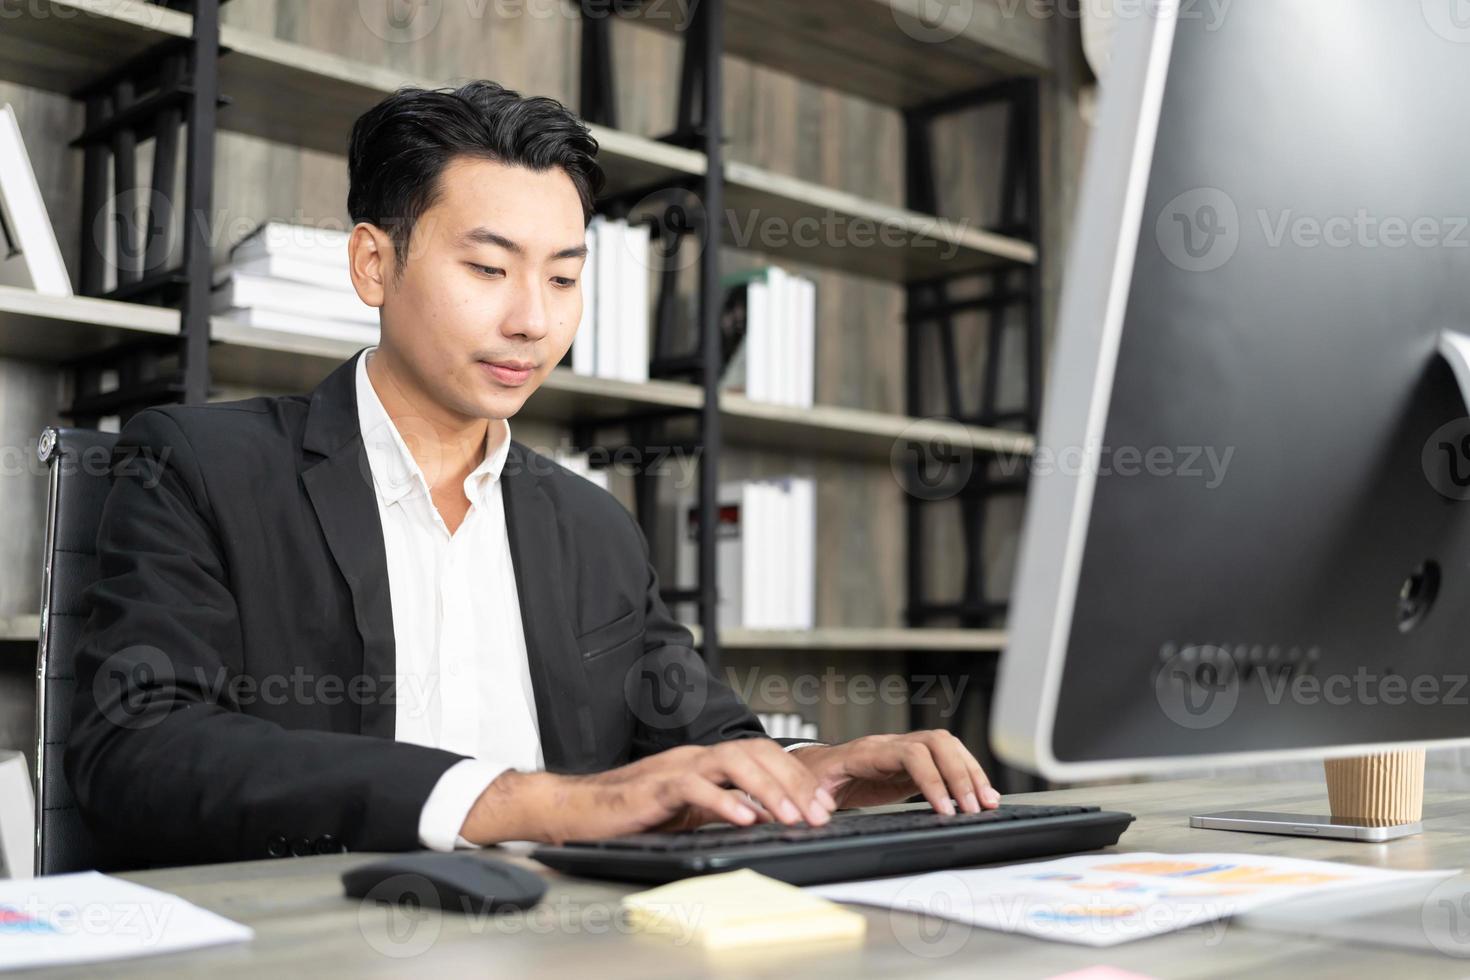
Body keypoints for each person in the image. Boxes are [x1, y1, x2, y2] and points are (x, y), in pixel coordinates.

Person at [65, 80, 999, 868]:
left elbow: (692, 737)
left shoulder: (590, 525)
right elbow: (137, 747)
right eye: (487, 268)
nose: (532, 322)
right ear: (373, 264)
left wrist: (817, 767)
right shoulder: (200, 465)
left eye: (562, 278)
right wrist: (527, 803)